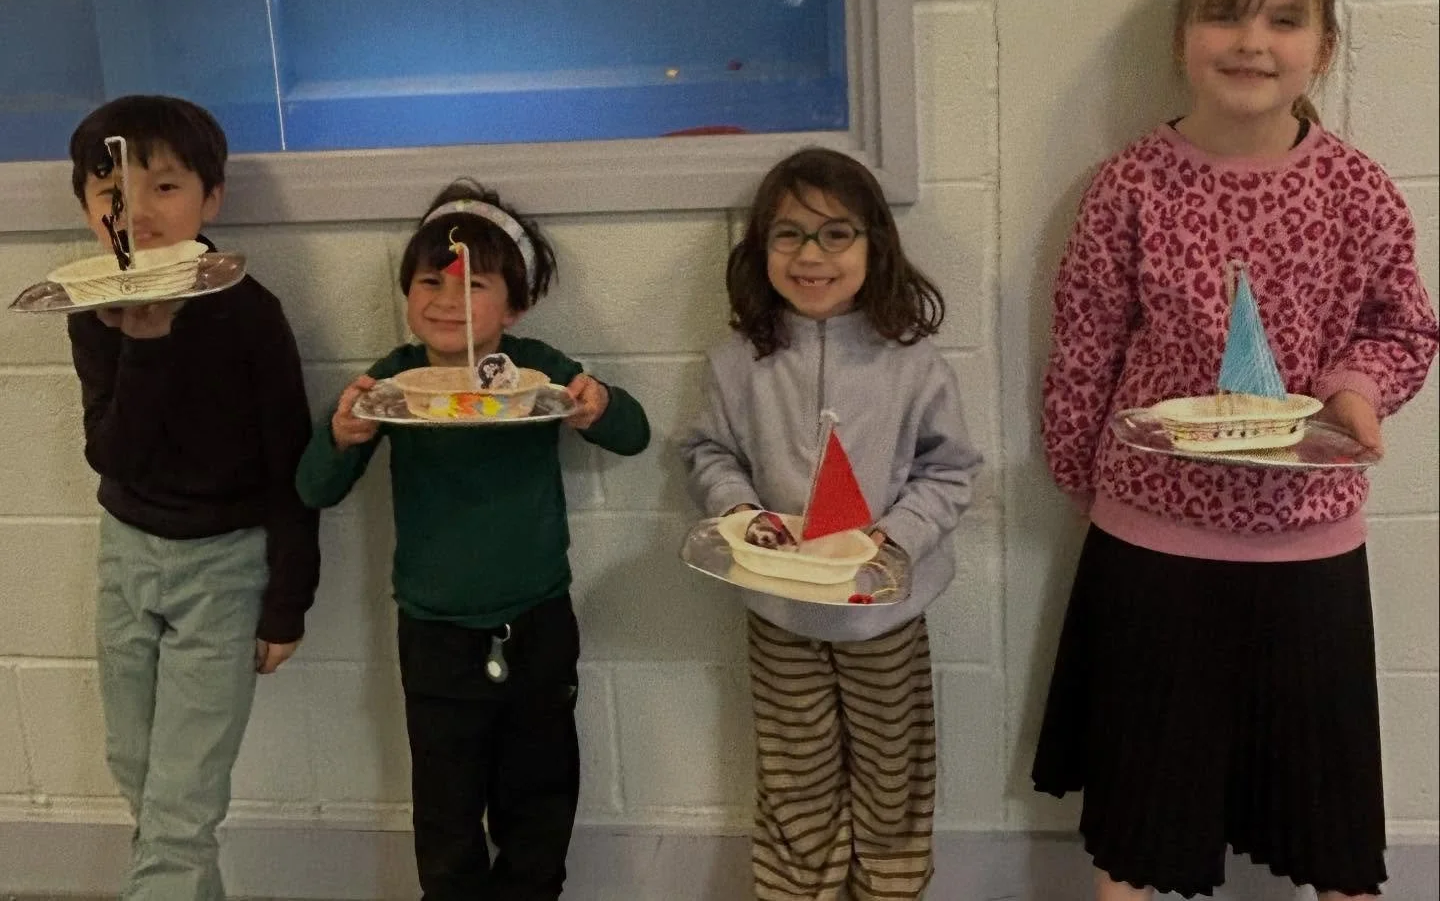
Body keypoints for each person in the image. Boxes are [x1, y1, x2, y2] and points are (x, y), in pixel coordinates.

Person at [1031, 0, 1439, 901]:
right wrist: (1086, 481)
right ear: (1183, 38)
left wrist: (1356, 390)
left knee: (1329, 815)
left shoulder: (1359, 190)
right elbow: (1083, 343)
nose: (1252, 40)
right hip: (1150, 539)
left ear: (1323, 48)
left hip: (1308, 541)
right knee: (1138, 817)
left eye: (1284, 20)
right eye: (1224, 14)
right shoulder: (1127, 186)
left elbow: (1404, 326)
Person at [295, 180, 649, 901]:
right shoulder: (393, 380)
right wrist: (342, 433)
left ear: (514, 306)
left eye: (472, 284)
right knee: (447, 820)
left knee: (540, 806)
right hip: (435, 636)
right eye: (431, 280)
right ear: (406, 288)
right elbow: (314, 488)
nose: (445, 298)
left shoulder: (538, 368)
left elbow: (634, 434)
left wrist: (600, 404)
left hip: (539, 623)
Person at [680, 148, 982, 901]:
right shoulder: (737, 361)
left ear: (874, 243)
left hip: (883, 615)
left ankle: (889, 891)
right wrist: (741, 513)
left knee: (893, 782)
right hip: (779, 616)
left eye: (835, 233)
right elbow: (708, 451)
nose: (811, 255)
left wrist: (894, 538)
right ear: (761, 247)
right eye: (788, 234)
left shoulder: (913, 363)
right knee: (795, 784)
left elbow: (950, 469)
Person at [66, 94, 320, 901]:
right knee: (139, 775)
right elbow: (113, 453)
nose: (136, 210)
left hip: (224, 565)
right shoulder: (92, 306)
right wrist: (142, 345)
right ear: (86, 205)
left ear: (212, 198)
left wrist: (287, 601)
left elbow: (291, 463)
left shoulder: (249, 312)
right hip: (126, 556)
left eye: (165, 186)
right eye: (111, 191)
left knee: (179, 812)